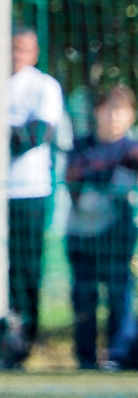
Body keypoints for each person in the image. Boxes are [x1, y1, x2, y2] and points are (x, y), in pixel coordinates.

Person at [63, 85, 138, 370]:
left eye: (122, 110)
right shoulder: (81, 147)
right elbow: (75, 184)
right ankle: (85, 358)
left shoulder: (131, 149)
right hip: (82, 236)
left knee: (120, 296)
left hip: (119, 237)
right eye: (109, 109)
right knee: (84, 296)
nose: (114, 116)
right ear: (97, 112)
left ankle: (118, 356)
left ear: (132, 116)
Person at [6, 27, 66, 363]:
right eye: (12, 48)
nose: (17, 55)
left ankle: (26, 340)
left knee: (27, 268)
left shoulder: (44, 86)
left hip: (29, 191)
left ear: (35, 51)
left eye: (23, 48)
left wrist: (1, 131)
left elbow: (33, 137)